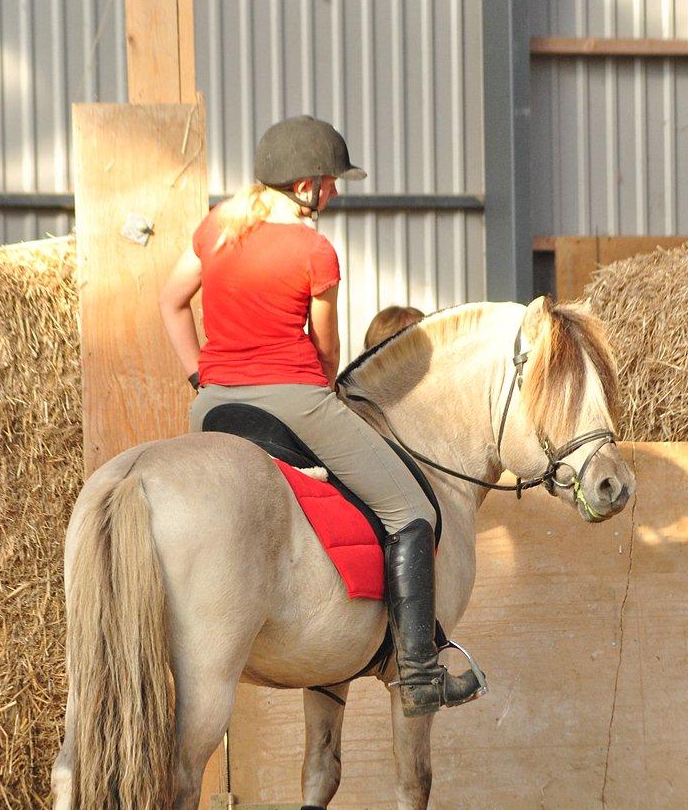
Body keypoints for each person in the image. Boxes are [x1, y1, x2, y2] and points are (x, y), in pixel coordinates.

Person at [159, 115, 482, 718]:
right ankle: (418, 673)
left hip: (212, 406)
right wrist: (324, 386)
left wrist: (199, 375)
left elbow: (172, 302)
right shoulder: (314, 250)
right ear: (306, 187)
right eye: (330, 183)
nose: (334, 193)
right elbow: (327, 347)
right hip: (295, 399)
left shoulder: (215, 230)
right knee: (411, 509)